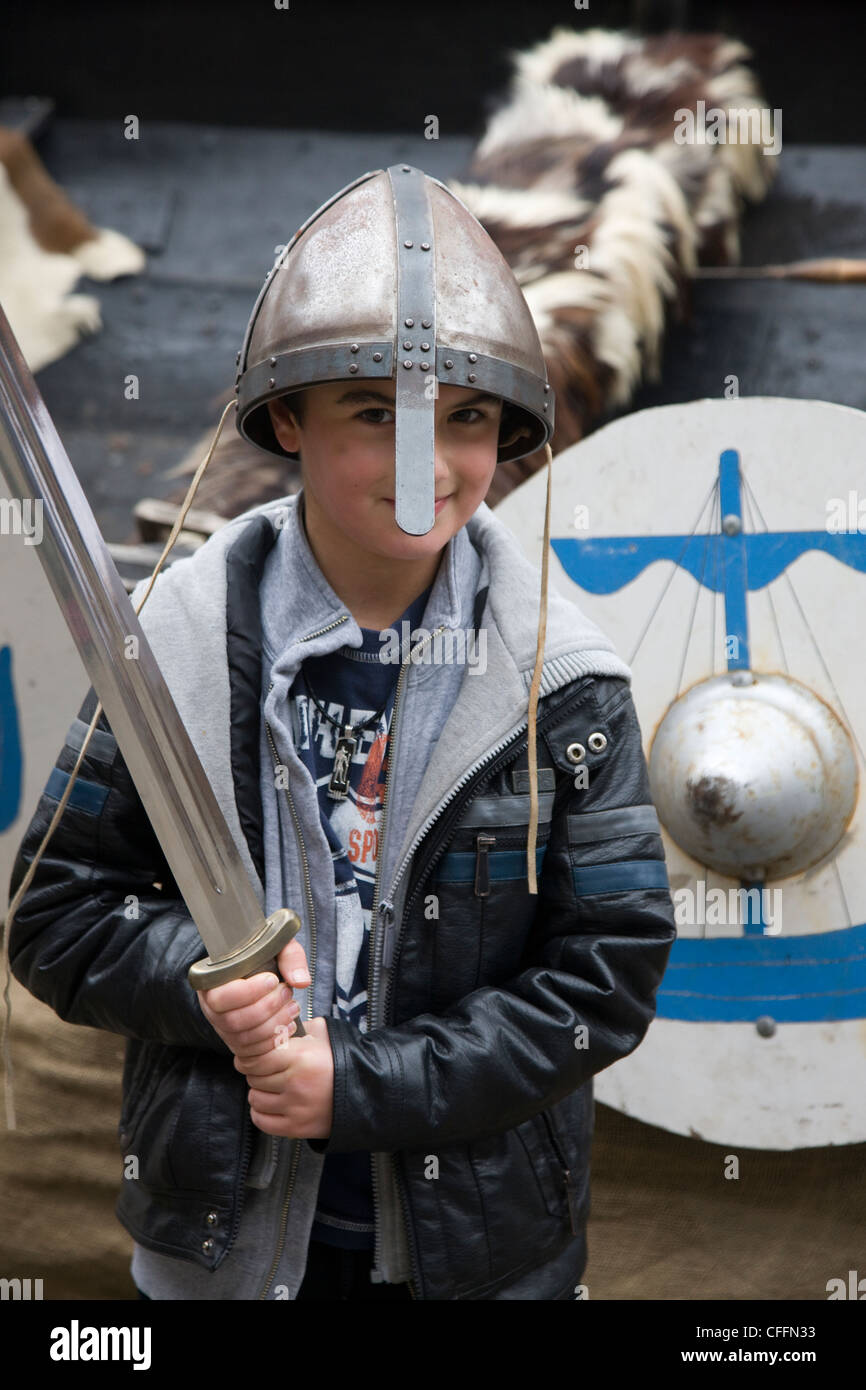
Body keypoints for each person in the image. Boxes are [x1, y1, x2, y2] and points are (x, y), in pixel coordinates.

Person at [7, 164, 677, 1300]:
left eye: (465, 419)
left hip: (479, 1252)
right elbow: (58, 909)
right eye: (379, 415)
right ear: (287, 419)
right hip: (222, 1237)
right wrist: (195, 979)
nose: (430, 466)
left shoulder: (562, 678)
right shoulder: (166, 647)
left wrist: (364, 1083)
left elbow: (602, 975)